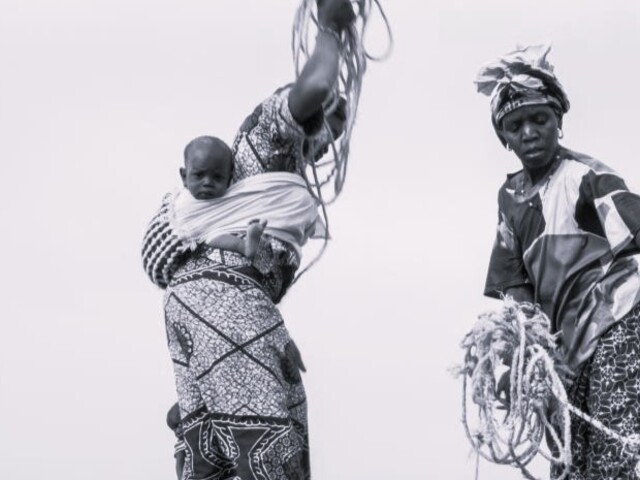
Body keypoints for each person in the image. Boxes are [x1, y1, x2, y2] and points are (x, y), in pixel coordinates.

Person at [141, 1, 356, 479]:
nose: (329, 138)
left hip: (212, 303)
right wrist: (333, 28)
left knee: (233, 437)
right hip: (221, 299)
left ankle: (203, 412)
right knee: (271, 438)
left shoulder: (278, 181)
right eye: (326, 123)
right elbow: (317, 84)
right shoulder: (265, 138)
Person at [476, 44, 640, 479]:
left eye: (539, 120)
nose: (529, 132)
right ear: (504, 137)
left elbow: (633, 224)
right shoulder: (509, 200)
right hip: (563, 347)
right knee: (568, 462)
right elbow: (516, 288)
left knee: (614, 452)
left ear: (558, 123)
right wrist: (522, 355)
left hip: (615, 325)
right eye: (515, 125)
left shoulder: (584, 176)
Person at [179, 135, 267, 260]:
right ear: (184, 176)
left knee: (215, 236)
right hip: (189, 230)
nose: (207, 182)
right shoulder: (181, 199)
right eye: (199, 175)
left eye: (217, 177)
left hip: (211, 232)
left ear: (229, 180)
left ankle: (246, 247)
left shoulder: (230, 200)